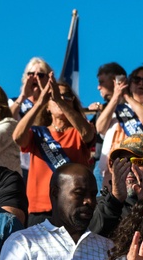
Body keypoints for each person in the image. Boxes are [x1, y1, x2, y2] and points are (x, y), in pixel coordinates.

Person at [14, 72, 96, 224]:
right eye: (55, 97)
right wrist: (39, 102)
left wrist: (58, 99)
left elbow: (87, 134)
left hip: (74, 208)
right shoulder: (37, 133)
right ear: (47, 107)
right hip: (40, 210)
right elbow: (17, 137)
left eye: (66, 96)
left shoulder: (79, 131)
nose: (60, 99)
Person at [95, 65, 143, 177]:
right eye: (136, 80)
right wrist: (116, 96)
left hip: (140, 167)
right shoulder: (116, 107)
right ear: (130, 84)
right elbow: (100, 128)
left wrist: (127, 96)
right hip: (110, 169)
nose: (141, 83)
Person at [88, 133, 143, 238]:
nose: (129, 167)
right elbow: (92, 238)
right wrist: (115, 201)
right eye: (122, 161)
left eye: (137, 161)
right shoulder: (101, 205)